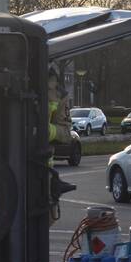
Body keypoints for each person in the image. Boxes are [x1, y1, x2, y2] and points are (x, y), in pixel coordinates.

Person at [47, 63, 75, 225]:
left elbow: (65, 134)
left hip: (41, 169)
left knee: (46, 219)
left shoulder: (58, 92)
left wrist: (46, 131)